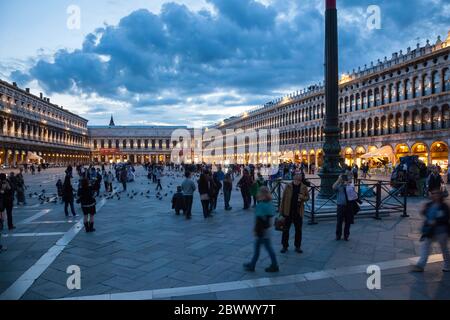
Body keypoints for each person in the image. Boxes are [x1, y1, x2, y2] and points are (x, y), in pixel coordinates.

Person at [411, 190, 450, 272]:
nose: (434, 196)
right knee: (425, 246)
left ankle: (447, 264)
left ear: (440, 196)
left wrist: (437, 221)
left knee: (444, 248)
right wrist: (423, 210)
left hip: (441, 230)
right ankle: (420, 265)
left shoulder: (444, 206)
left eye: (436, 194)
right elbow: (425, 214)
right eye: (433, 194)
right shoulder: (429, 204)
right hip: (430, 230)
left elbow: (446, 217)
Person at [243, 186, 279, 273]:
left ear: (263, 195)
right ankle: (253, 264)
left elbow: (260, 221)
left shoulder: (261, 205)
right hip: (266, 230)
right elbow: (269, 219)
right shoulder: (269, 204)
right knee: (262, 248)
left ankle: (273, 265)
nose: (258, 194)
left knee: (262, 249)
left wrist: (257, 231)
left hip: (262, 231)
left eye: (259, 193)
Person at [279, 174, 309, 253]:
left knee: (298, 230)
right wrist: (281, 211)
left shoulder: (304, 187)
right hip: (287, 211)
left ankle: (297, 246)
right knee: (285, 230)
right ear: (293, 179)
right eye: (296, 180)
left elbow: (307, 197)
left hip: (298, 212)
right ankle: (284, 246)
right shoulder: (288, 186)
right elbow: (283, 199)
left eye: (299, 180)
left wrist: (302, 197)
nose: (297, 181)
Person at [333, 174, 355, 241]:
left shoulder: (349, 186)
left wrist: (349, 183)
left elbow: (353, 195)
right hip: (340, 205)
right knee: (339, 221)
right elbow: (333, 187)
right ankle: (338, 235)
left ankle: (346, 235)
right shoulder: (339, 186)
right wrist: (338, 180)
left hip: (348, 206)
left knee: (348, 222)